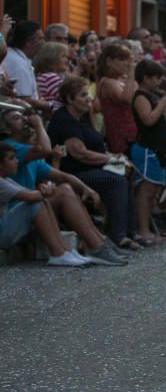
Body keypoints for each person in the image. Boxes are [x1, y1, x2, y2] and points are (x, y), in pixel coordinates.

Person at [1, 108, 127, 265]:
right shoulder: (7, 148)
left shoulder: (27, 153)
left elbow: (61, 176)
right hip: (17, 217)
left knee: (66, 188)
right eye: (17, 118)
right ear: (5, 127)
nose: (25, 120)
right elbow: (45, 150)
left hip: (30, 213)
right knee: (63, 192)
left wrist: (86, 189)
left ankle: (98, 243)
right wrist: (39, 124)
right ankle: (93, 247)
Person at [47, 76, 138, 250]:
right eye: (82, 95)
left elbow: (97, 147)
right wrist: (111, 159)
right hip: (73, 172)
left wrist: (117, 157)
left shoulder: (82, 118)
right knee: (115, 180)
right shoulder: (64, 120)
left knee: (127, 172)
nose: (88, 98)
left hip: (90, 167)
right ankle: (117, 235)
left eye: (88, 94)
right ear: (69, 99)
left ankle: (131, 231)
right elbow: (79, 153)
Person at [0, 143, 90, 266]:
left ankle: (64, 250)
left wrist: (42, 190)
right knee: (35, 204)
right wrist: (46, 190)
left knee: (42, 201)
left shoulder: (6, 179)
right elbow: (31, 196)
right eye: (11, 158)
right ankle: (57, 253)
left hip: (4, 230)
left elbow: (31, 193)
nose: (16, 161)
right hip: (2, 236)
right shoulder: (1, 183)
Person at [130, 59, 166, 245]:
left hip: (157, 151)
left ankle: (149, 228)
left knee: (153, 190)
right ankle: (144, 231)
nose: (159, 82)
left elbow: (164, 117)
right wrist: (162, 104)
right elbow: (147, 119)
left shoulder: (153, 96)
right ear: (146, 78)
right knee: (146, 191)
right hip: (147, 150)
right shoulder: (140, 97)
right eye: (156, 78)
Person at [96, 43, 138, 155]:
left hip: (131, 134)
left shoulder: (119, 80)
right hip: (122, 137)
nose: (127, 64)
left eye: (128, 60)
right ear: (109, 61)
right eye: (122, 59)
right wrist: (131, 73)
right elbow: (126, 98)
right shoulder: (107, 82)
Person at [3, 20, 50, 115]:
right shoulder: (19, 63)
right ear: (28, 42)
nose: (43, 43)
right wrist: (51, 106)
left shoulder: (18, 57)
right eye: (40, 39)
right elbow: (24, 99)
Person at [33, 41, 70, 112]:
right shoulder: (50, 77)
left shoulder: (43, 76)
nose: (67, 60)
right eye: (63, 56)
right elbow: (72, 98)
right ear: (52, 58)